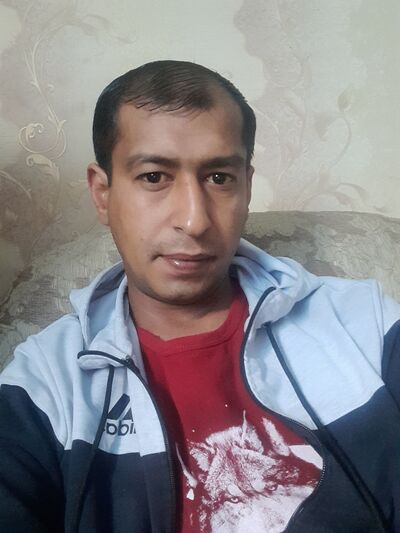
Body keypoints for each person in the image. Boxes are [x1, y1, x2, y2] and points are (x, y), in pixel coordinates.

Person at [0, 60, 399, 533]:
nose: (194, 221)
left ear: (246, 187)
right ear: (103, 194)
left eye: (219, 178)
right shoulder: (44, 384)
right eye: (154, 177)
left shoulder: (363, 323)